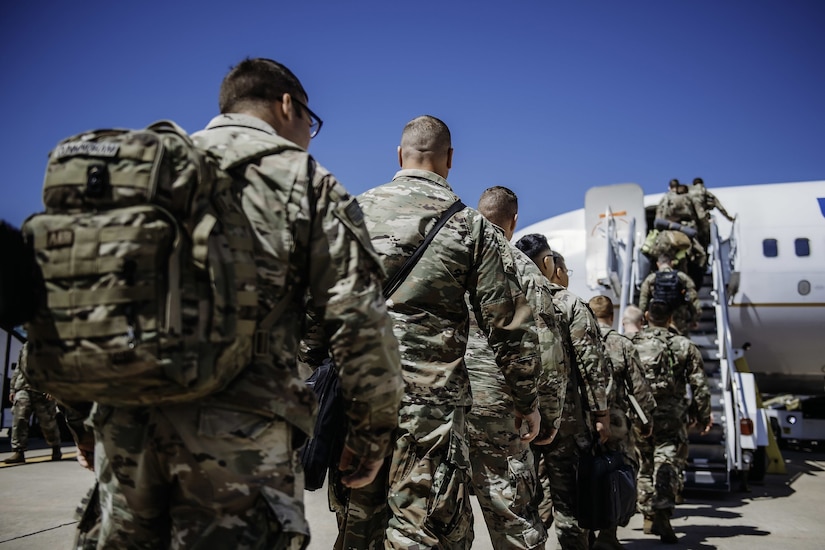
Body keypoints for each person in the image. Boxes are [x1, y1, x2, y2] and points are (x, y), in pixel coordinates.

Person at [72, 57, 405, 549]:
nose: (309, 136)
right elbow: (359, 325)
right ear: (287, 105)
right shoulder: (307, 182)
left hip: (127, 437)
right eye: (310, 123)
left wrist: (82, 422)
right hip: (241, 451)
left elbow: (68, 311)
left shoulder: (137, 174)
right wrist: (369, 438)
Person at [347, 115, 545, 549]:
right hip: (430, 411)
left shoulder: (353, 213)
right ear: (449, 159)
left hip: (357, 399)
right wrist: (526, 400)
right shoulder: (469, 226)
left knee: (360, 523)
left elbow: (315, 309)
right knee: (420, 528)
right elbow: (506, 324)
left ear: (399, 155)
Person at [466, 186, 567, 549]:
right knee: (513, 518)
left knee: (442, 519)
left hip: (442, 405)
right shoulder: (521, 266)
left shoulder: (453, 252)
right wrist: (548, 417)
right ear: (514, 222)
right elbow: (547, 349)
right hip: (499, 409)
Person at [514, 234, 611, 550]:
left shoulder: (507, 300)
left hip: (519, 423)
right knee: (570, 505)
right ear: (547, 263)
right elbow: (591, 364)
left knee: (526, 505)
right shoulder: (568, 302)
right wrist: (601, 414)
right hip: (566, 426)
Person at [631, 301, 712, 544]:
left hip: (640, 414)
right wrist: (702, 415)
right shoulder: (684, 345)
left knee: (644, 464)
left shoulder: (633, 343)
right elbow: (699, 385)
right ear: (670, 319)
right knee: (666, 461)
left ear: (646, 317)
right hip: (672, 416)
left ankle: (647, 515)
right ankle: (663, 513)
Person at [587, 295, 656, 550]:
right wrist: (646, 420)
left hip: (581, 421)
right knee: (614, 476)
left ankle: (583, 535)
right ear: (612, 317)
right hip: (615, 424)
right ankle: (608, 534)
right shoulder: (622, 343)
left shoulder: (575, 338)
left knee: (582, 475)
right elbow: (639, 388)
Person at [4, 343, 62, 464]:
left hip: (43, 391)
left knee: (48, 423)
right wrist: (13, 389)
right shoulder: (25, 346)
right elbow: (19, 368)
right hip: (23, 388)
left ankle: (55, 447)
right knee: (19, 417)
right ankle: (18, 451)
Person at [638, 253, 701, 337]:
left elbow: (643, 301)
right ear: (671, 263)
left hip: (657, 317)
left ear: (658, 264)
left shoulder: (651, 279)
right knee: (680, 341)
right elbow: (693, 299)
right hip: (678, 316)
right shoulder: (682, 277)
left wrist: (642, 318)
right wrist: (695, 318)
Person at [688, 177, 736, 251]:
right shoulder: (704, 190)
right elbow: (718, 205)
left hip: (690, 219)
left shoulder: (688, 190)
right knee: (706, 238)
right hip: (702, 217)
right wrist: (729, 217)